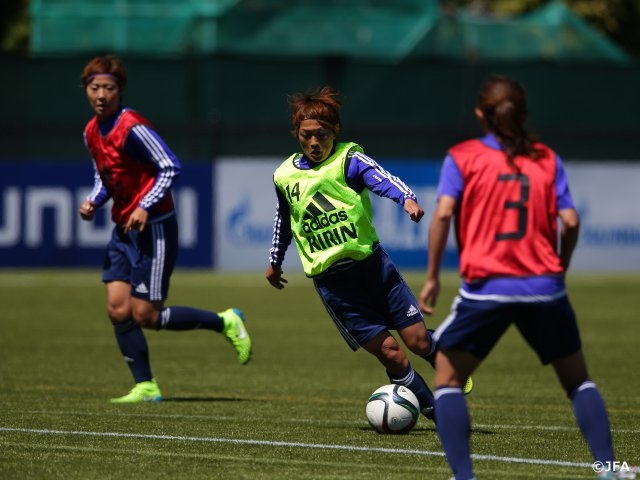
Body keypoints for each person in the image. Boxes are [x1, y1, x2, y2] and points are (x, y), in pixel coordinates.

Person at [418, 75, 633, 480]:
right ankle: (607, 469)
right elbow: (569, 221)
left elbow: (444, 213)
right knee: (577, 380)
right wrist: (559, 268)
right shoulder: (546, 158)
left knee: (446, 379)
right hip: (544, 288)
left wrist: (432, 276)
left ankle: (464, 477)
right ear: (523, 114)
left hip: (487, 290)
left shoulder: (462, 156)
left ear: (481, 114)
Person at [265, 85, 472, 422]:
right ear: (296, 135)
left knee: (418, 341)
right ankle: (437, 411)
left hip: (373, 268)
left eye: (321, 135)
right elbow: (284, 218)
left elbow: (380, 178)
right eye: (306, 136)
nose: (314, 143)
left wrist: (405, 198)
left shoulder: (348, 158)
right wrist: (275, 261)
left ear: (335, 132)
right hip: (334, 285)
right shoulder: (284, 175)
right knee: (391, 353)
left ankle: (445, 358)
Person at [78, 54, 252, 403]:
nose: (101, 95)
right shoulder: (91, 131)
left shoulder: (133, 127)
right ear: (86, 89)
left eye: (108, 88)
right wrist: (94, 200)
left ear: (120, 90)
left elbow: (170, 166)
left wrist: (145, 205)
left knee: (145, 315)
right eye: (94, 88)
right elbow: (105, 176)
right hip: (123, 231)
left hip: (154, 230)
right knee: (117, 308)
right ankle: (146, 385)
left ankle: (225, 322)